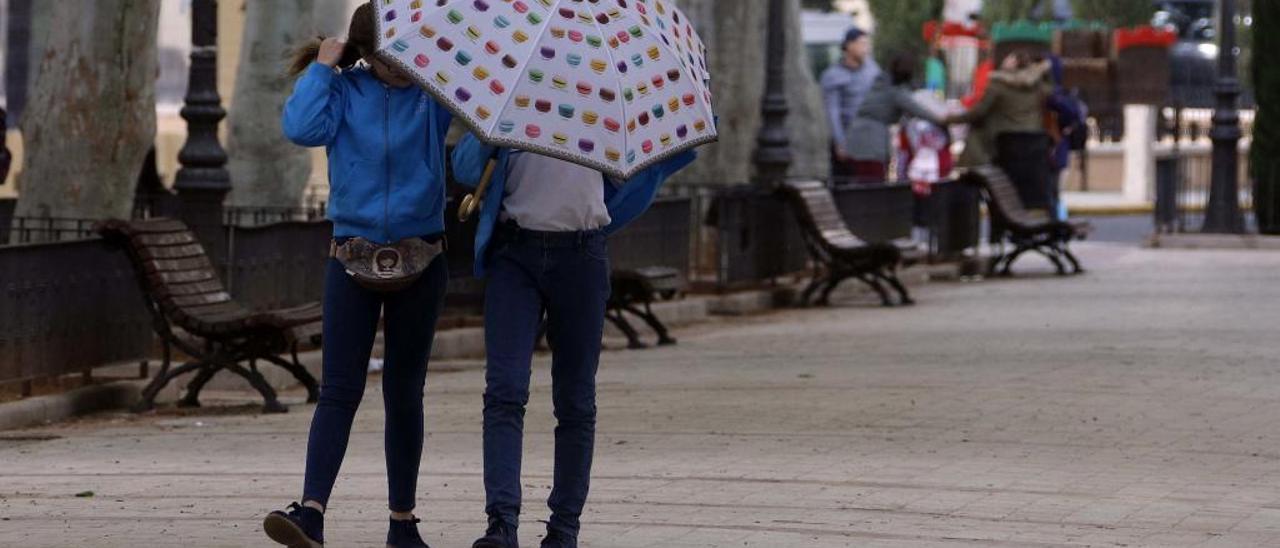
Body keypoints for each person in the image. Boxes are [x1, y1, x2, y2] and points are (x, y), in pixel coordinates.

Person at [263, 4, 453, 548]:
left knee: (404, 391)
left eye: (407, 60)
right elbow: (300, 128)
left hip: (423, 255)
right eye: (390, 62)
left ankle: (403, 522)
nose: (402, 71)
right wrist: (323, 67)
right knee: (339, 389)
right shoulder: (345, 92)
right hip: (351, 255)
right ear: (367, 56)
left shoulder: (433, 94)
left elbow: (479, 126)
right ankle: (311, 513)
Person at [451, 137, 697, 548]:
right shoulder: (510, 90)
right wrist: (489, 134)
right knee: (505, 391)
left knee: (576, 400)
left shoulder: (605, 97)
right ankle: (501, 524)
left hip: (582, 254)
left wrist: (605, 217)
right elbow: (464, 169)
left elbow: (653, 158)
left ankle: (564, 528)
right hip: (515, 254)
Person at [845, 53, 949, 182]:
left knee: (860, 182)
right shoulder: (896, 92)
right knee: (872, 184)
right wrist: (945, 120)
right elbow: (919, 110)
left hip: (856, 138)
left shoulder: (882, 83)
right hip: (871, 142)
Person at [820, 26, 881, 182]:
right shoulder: (833, 76)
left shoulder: (872, 70)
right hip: (848, 138)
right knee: (847, 185)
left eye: (867, 44)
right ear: (849, 46)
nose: (866, 49)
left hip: (871, 140)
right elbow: (832, 112)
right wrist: (840, 142)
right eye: (862, 44)